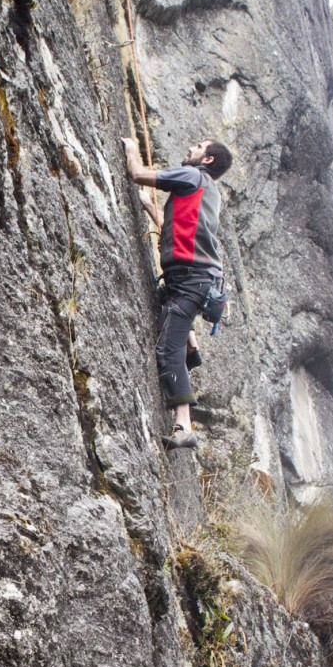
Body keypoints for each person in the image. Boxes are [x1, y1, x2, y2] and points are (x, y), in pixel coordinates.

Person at [122, 136, 233, 450]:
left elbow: (138, 174)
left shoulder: (193, 176)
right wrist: (148, 206)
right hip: (195, 281)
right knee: (176, 325)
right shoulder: (206, 191)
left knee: (166, 350)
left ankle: (183, 425)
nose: (191, 147)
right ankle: (191, 345)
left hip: (188, 282)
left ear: (207, 159)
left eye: (198, 146)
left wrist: (132, 151)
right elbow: (178, 230)